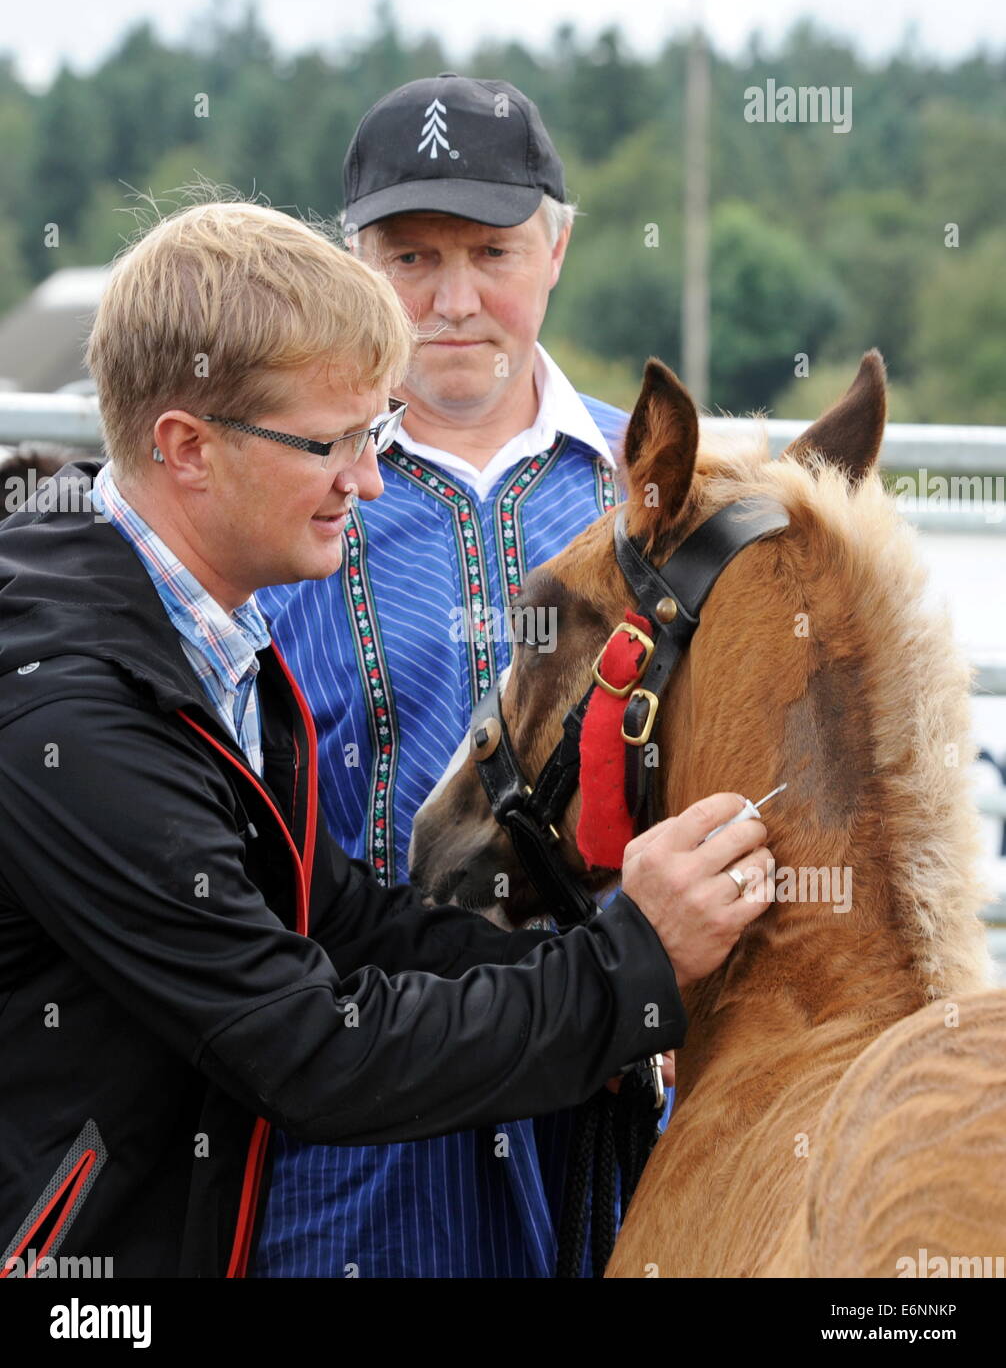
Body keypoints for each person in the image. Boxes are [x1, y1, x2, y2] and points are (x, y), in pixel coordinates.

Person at [0, 199, 772, 1279]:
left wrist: (587, 968)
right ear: (187, 448)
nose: (367, 480)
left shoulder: (204, 636)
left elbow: (335, 915)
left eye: (372, 434)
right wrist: (623, 972)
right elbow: (306, 1044)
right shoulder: (72, 716)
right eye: (334, 443)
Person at [251, 75, 688, 1278]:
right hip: (356, 1124)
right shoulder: (275, 500)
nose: (453, 301)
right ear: (351, 263)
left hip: (607, 1113)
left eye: (491, 250)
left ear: (557, 245)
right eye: (409, 256)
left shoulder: (654, 487)